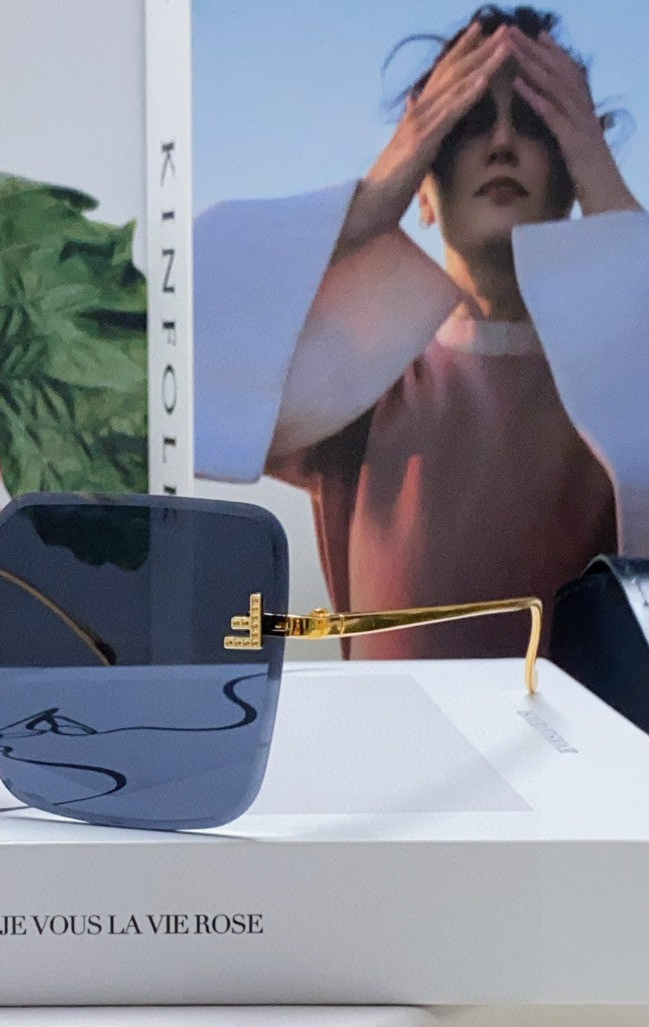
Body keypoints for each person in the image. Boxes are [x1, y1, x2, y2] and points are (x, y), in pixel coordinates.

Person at [193, 6, 649, 659]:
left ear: (571, 172)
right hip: (392, 727)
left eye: (535, 122)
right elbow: (170, 350)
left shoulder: (619, 388)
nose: (501, 143)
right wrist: (375, 196)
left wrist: (604, 188)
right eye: (464, 124)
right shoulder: (363, 376)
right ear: (425, 190)